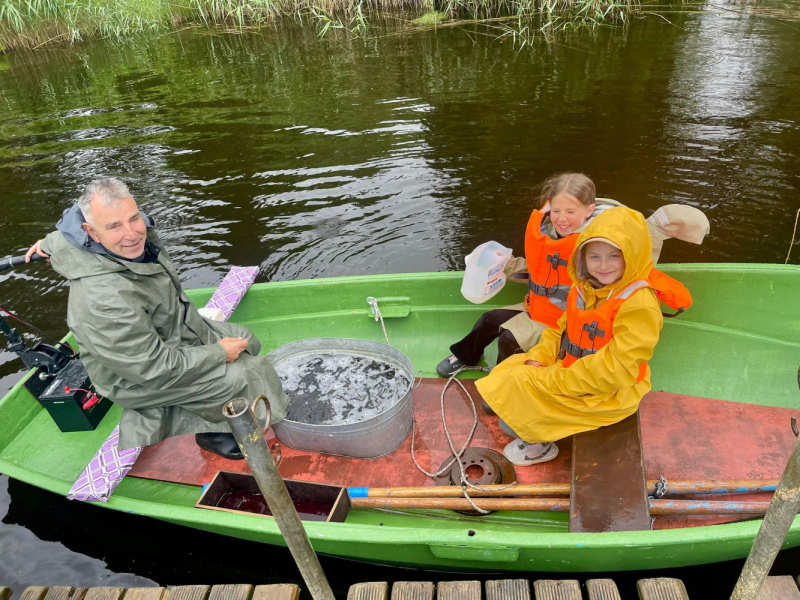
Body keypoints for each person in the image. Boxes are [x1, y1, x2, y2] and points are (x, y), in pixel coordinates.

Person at [26, 177, 289, 459]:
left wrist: (49, 242)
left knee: (248, 340)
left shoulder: (97, 236)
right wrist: (217, 354)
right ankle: (213, 432)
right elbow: (152, 369)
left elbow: (68, 227)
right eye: (115, 226)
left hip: (172, 329)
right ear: (90, 232)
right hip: (137, 376)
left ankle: (212, 399)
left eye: (134, 218)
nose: (132, 234)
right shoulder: (103, 299)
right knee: (243, 374)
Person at [475, 206, 691, 467]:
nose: (603, 266)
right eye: (594, 257)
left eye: (614, 256)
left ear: (631, 256)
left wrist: (556, 380)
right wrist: (539, 357)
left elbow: (616, 370)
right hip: (573, 371)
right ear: (583, 258)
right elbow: (559, 330)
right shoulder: (585, 289)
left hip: (611, 392)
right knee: (513, 369)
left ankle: (539, 447)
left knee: (523, 387)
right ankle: (522, 413)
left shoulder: (639, 304)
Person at [436, 173, 709, 378]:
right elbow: (540, 271)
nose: (561, 219)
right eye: (556, 211)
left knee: (510, 337)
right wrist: (504, 264)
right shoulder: (552, 233)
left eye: (570, 212)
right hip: (539, 309)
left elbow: (618, 277)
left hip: (570, 320)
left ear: (589, 211)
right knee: (489, 319)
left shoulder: (600, 243)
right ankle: (466, 356)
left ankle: (505, 381)